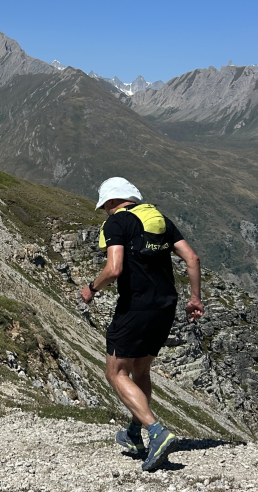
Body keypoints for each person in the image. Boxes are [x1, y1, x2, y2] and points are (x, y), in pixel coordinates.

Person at [81, 177, 204, 472]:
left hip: (136, 305)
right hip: (166, 304)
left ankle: (156, 432)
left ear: (111, 202)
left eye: (105, 207)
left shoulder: (116, 223)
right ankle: (135, 434)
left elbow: (114, 269)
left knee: (115, 372)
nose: (105, 212)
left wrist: (91, 288)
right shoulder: (159, 219)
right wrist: (195, 299)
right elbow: (192, 258)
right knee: (141, 369)